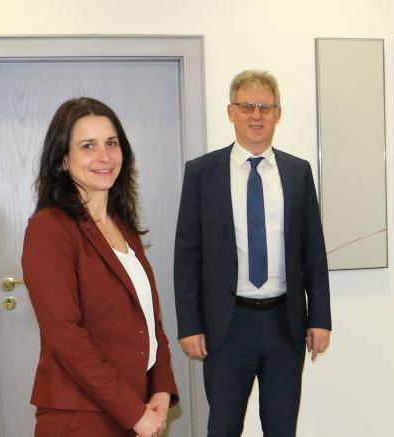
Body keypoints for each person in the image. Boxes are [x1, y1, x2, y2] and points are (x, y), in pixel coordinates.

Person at [174, 70, 332, 437]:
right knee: (224, 427)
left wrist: (320, 318)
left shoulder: (298, 172)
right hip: (226, 327)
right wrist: (190, 325)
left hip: (285, 325)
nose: (256, 115)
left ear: (278, 114)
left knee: (281, 428)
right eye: (247, 107)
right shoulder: (201, 173)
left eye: (265, 107)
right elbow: (187, 255)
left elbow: (314, 251)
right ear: (231, 112)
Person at [22, 97, 178, 437]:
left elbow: (149, 320)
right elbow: (65, 338)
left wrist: (161, 387)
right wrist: (132, 412)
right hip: (82, 415)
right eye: (88, 146)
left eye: (111, 143)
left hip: (134, 406)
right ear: (63, 160)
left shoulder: (122, 226)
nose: (104, 156)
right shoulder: (50, 229)